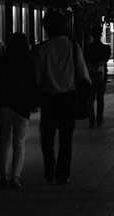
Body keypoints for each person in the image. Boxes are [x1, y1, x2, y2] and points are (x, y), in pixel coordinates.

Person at [33, 11, 91, 185]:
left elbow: (36, 77)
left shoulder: (40, 49)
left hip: (48, 98)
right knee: (66, 138)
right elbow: (82, 74)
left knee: (47, 136)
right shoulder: (73, 47)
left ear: (46, 27)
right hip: (68, 98)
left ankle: (49, 169)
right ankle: (62, 174)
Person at [0, 32, 38, 189]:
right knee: (19, 141)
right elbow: (33, 85)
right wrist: (34, 103)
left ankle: (3, 175)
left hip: (3, 105)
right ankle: (15, 177)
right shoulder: (27, 63)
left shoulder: (1, 62)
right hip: (21, 106)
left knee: (4, 140)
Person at [83, 25, 111, 129]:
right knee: (100, 99)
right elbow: (107, 59)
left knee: (90, 99)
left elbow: (84, 60)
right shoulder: (105, 48)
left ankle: (91, 120)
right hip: (101, 75)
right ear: (101, 35)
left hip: (89, 76)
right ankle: (99, 119)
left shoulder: (87, 48)